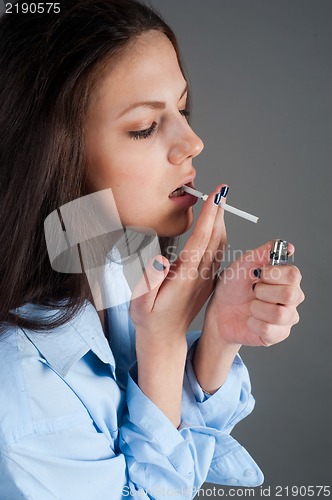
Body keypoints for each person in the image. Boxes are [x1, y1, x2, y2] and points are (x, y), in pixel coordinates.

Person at [0, 0, 304, 498]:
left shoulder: (112, 261)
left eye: (182, 108)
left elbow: (184, 452)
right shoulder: (20, 392)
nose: (194, 142)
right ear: (53, 157)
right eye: (144, 126)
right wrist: (163, 343)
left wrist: (220, 337)